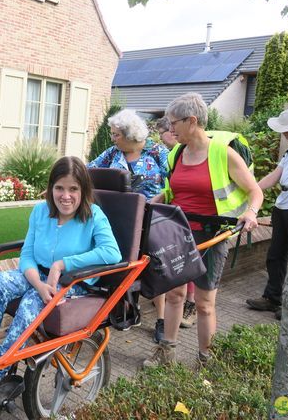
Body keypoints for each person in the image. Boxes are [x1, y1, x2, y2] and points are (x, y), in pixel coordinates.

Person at [0, 156, 121, 417]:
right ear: (51, 188)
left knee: (30, 304)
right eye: (60, 188)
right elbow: (27, 254)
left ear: (83, 191)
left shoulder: (94, 216)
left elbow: (112, 253)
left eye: (73, 189)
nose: (66, 196)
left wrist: (62, 264)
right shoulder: (40, 211)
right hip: (37, 276)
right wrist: (38, 284)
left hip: (72, 283)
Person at [143, 92, 262, 368]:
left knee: (205, 303)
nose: (170, 130)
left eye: (174, 124)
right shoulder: (177, 153)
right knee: (174, 294)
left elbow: (255, 191)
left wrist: (251, 212)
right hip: (178, 234)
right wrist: (159, 199)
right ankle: (167, 352)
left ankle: (206, 359)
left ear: (192, 121)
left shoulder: (224, 154)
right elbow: (175, 189)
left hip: (211, 235)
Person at [89, 109, 169, 343]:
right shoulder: (113, 152)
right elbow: (87, 169)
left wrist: (160, 198)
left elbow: (174, 180)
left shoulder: (157, 152)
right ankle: (128, 311)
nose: (112, 138)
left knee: (154, 267)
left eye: (116, 135)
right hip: (121, 217)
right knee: (124, 265)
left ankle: (162, 320)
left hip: (151, 217)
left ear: (129, 134)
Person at [246, 108, 288, 321]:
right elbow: (275, 176)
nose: (283, 133)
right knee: (276, 255)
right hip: (282, 206)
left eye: (286, 129)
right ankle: (273, 297)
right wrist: (252, 193)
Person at [156, 116, 197, 329]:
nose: (163, 139)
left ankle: (191, 304)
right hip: (173, 216)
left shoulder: (170, 153)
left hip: (193, 220)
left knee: (191, 265)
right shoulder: (174, 154)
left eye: (164, 135)